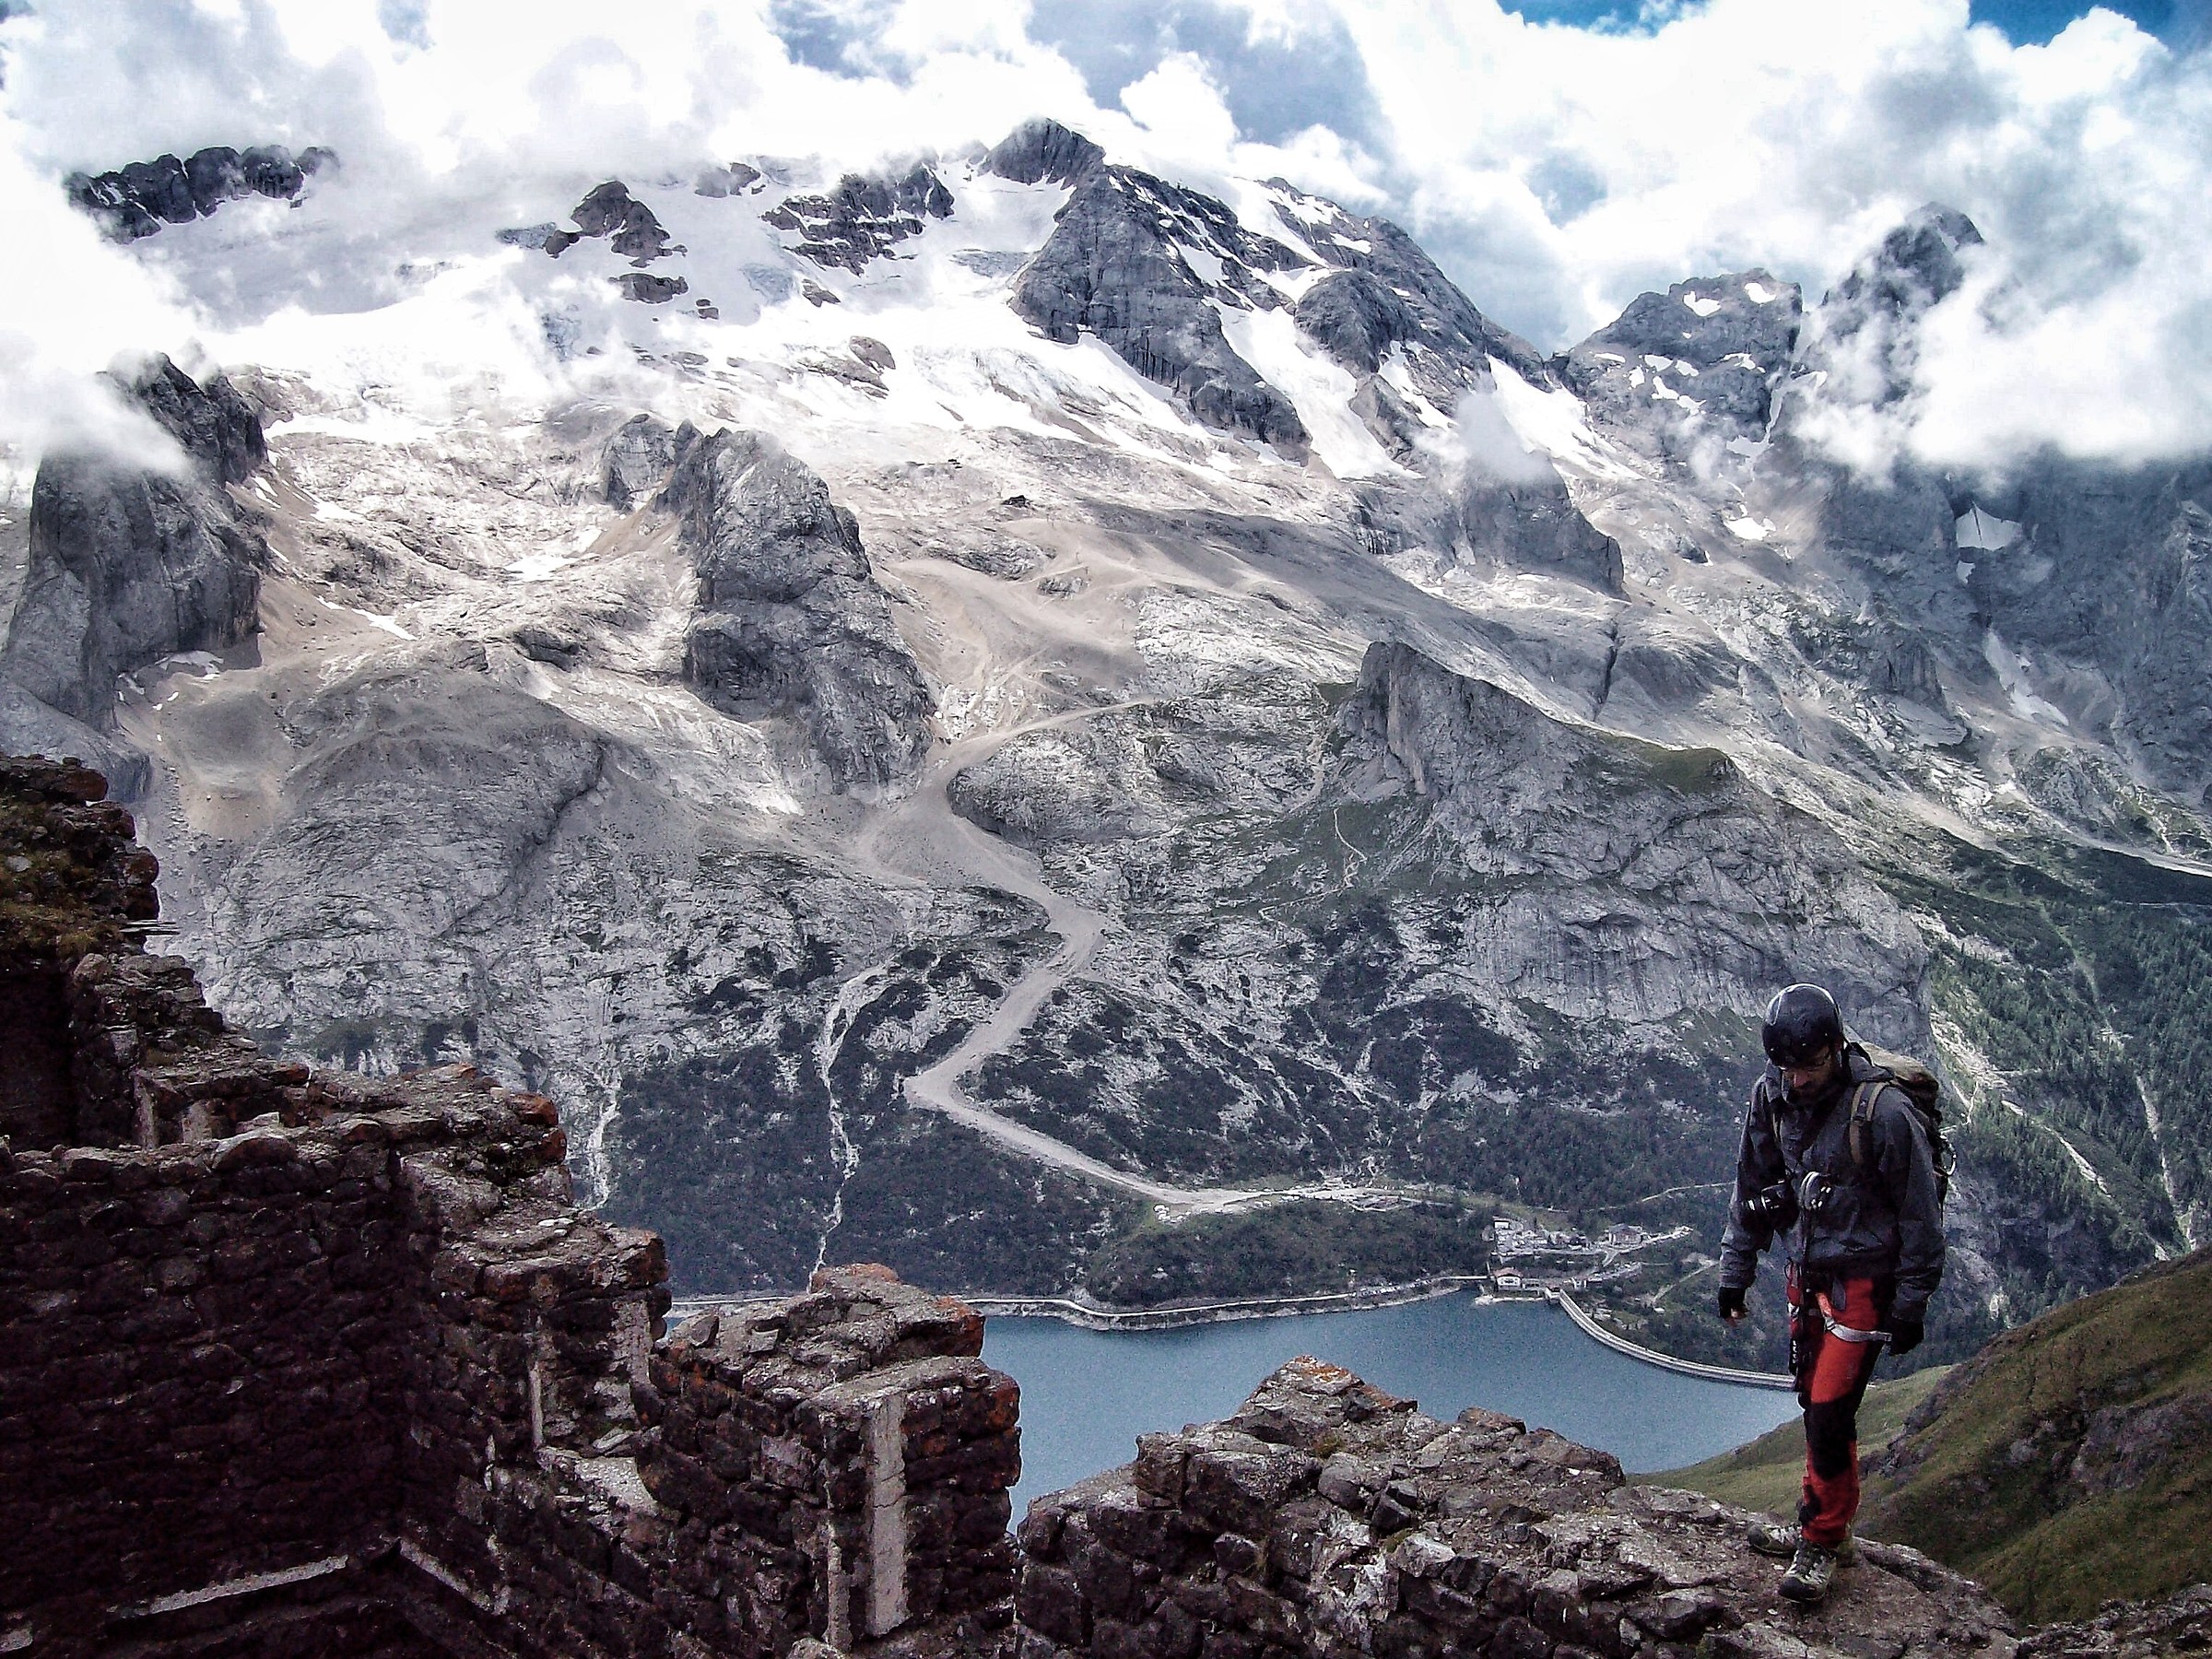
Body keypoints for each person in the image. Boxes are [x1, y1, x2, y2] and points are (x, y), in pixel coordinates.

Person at [1716, 983, 1945, 1606]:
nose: (1798, 1079)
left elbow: (1920, 1215)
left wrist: (1912, 1301)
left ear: (1835, 1047)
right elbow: (1752, 1184)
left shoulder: (1884, 1114)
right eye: (1787, 1068)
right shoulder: (1772, 1098)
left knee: (1827, 1412)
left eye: (1809, 1066)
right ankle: (1828, 1526)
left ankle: (1818, 1540)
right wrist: (1735, 1272)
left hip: (1865, 1282)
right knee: (1813, 1402)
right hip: (1808, 1275)